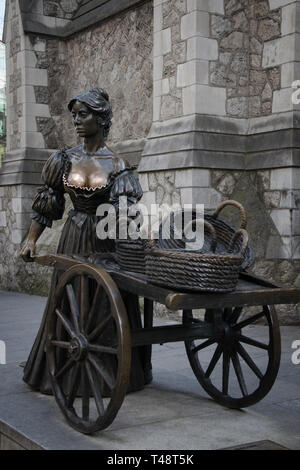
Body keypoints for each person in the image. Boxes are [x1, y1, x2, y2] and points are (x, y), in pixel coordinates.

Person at [20, 87, 152, 395]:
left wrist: (130, 223)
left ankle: (112, 372)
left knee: (107, 303)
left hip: (106, 241)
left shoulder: (117, 165)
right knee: (69, 302)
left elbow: (125, 211)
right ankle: (63, 371)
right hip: (74, 237)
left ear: (102, 118)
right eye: (75, 115)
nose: (77, 121)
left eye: (84, 115)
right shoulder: (64, 159)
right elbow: (48, 204)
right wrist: (31, 240)